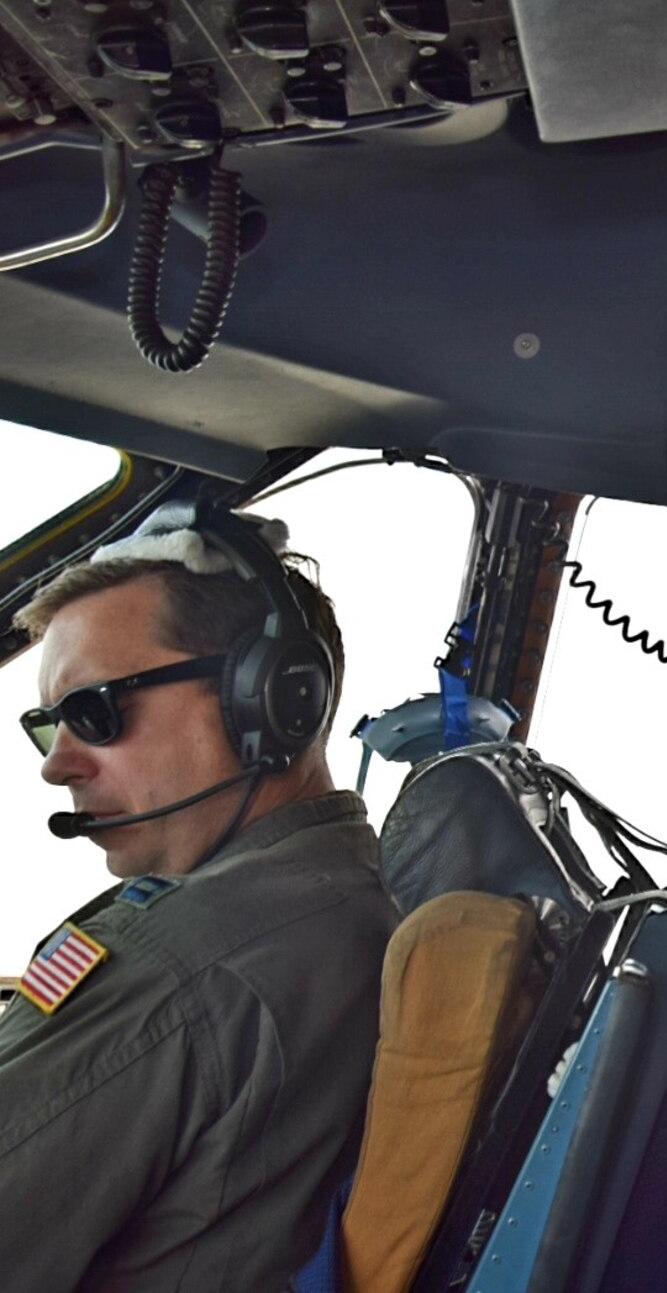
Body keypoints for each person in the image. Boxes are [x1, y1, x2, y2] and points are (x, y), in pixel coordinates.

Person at [0, 504, 399, 1291]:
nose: (58, 765)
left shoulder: (178, 966)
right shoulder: (357, 902)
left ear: (272, 700)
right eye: (49, 727)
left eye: (95, 711)